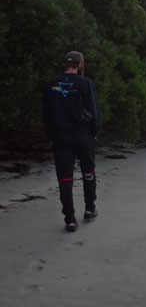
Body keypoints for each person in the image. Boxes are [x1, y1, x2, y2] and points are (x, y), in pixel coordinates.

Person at [42, 51, 101, 232]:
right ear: (81, 65)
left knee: (65, 179)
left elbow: (46, 114)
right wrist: (95, 132)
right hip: (83, 136)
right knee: (88, 173)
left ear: (64, 64)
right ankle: (90, 209)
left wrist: (51, 135)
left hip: (61, 137)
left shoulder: (51, 85)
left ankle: (70, 219)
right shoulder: (85, 83)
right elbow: (94, 110)